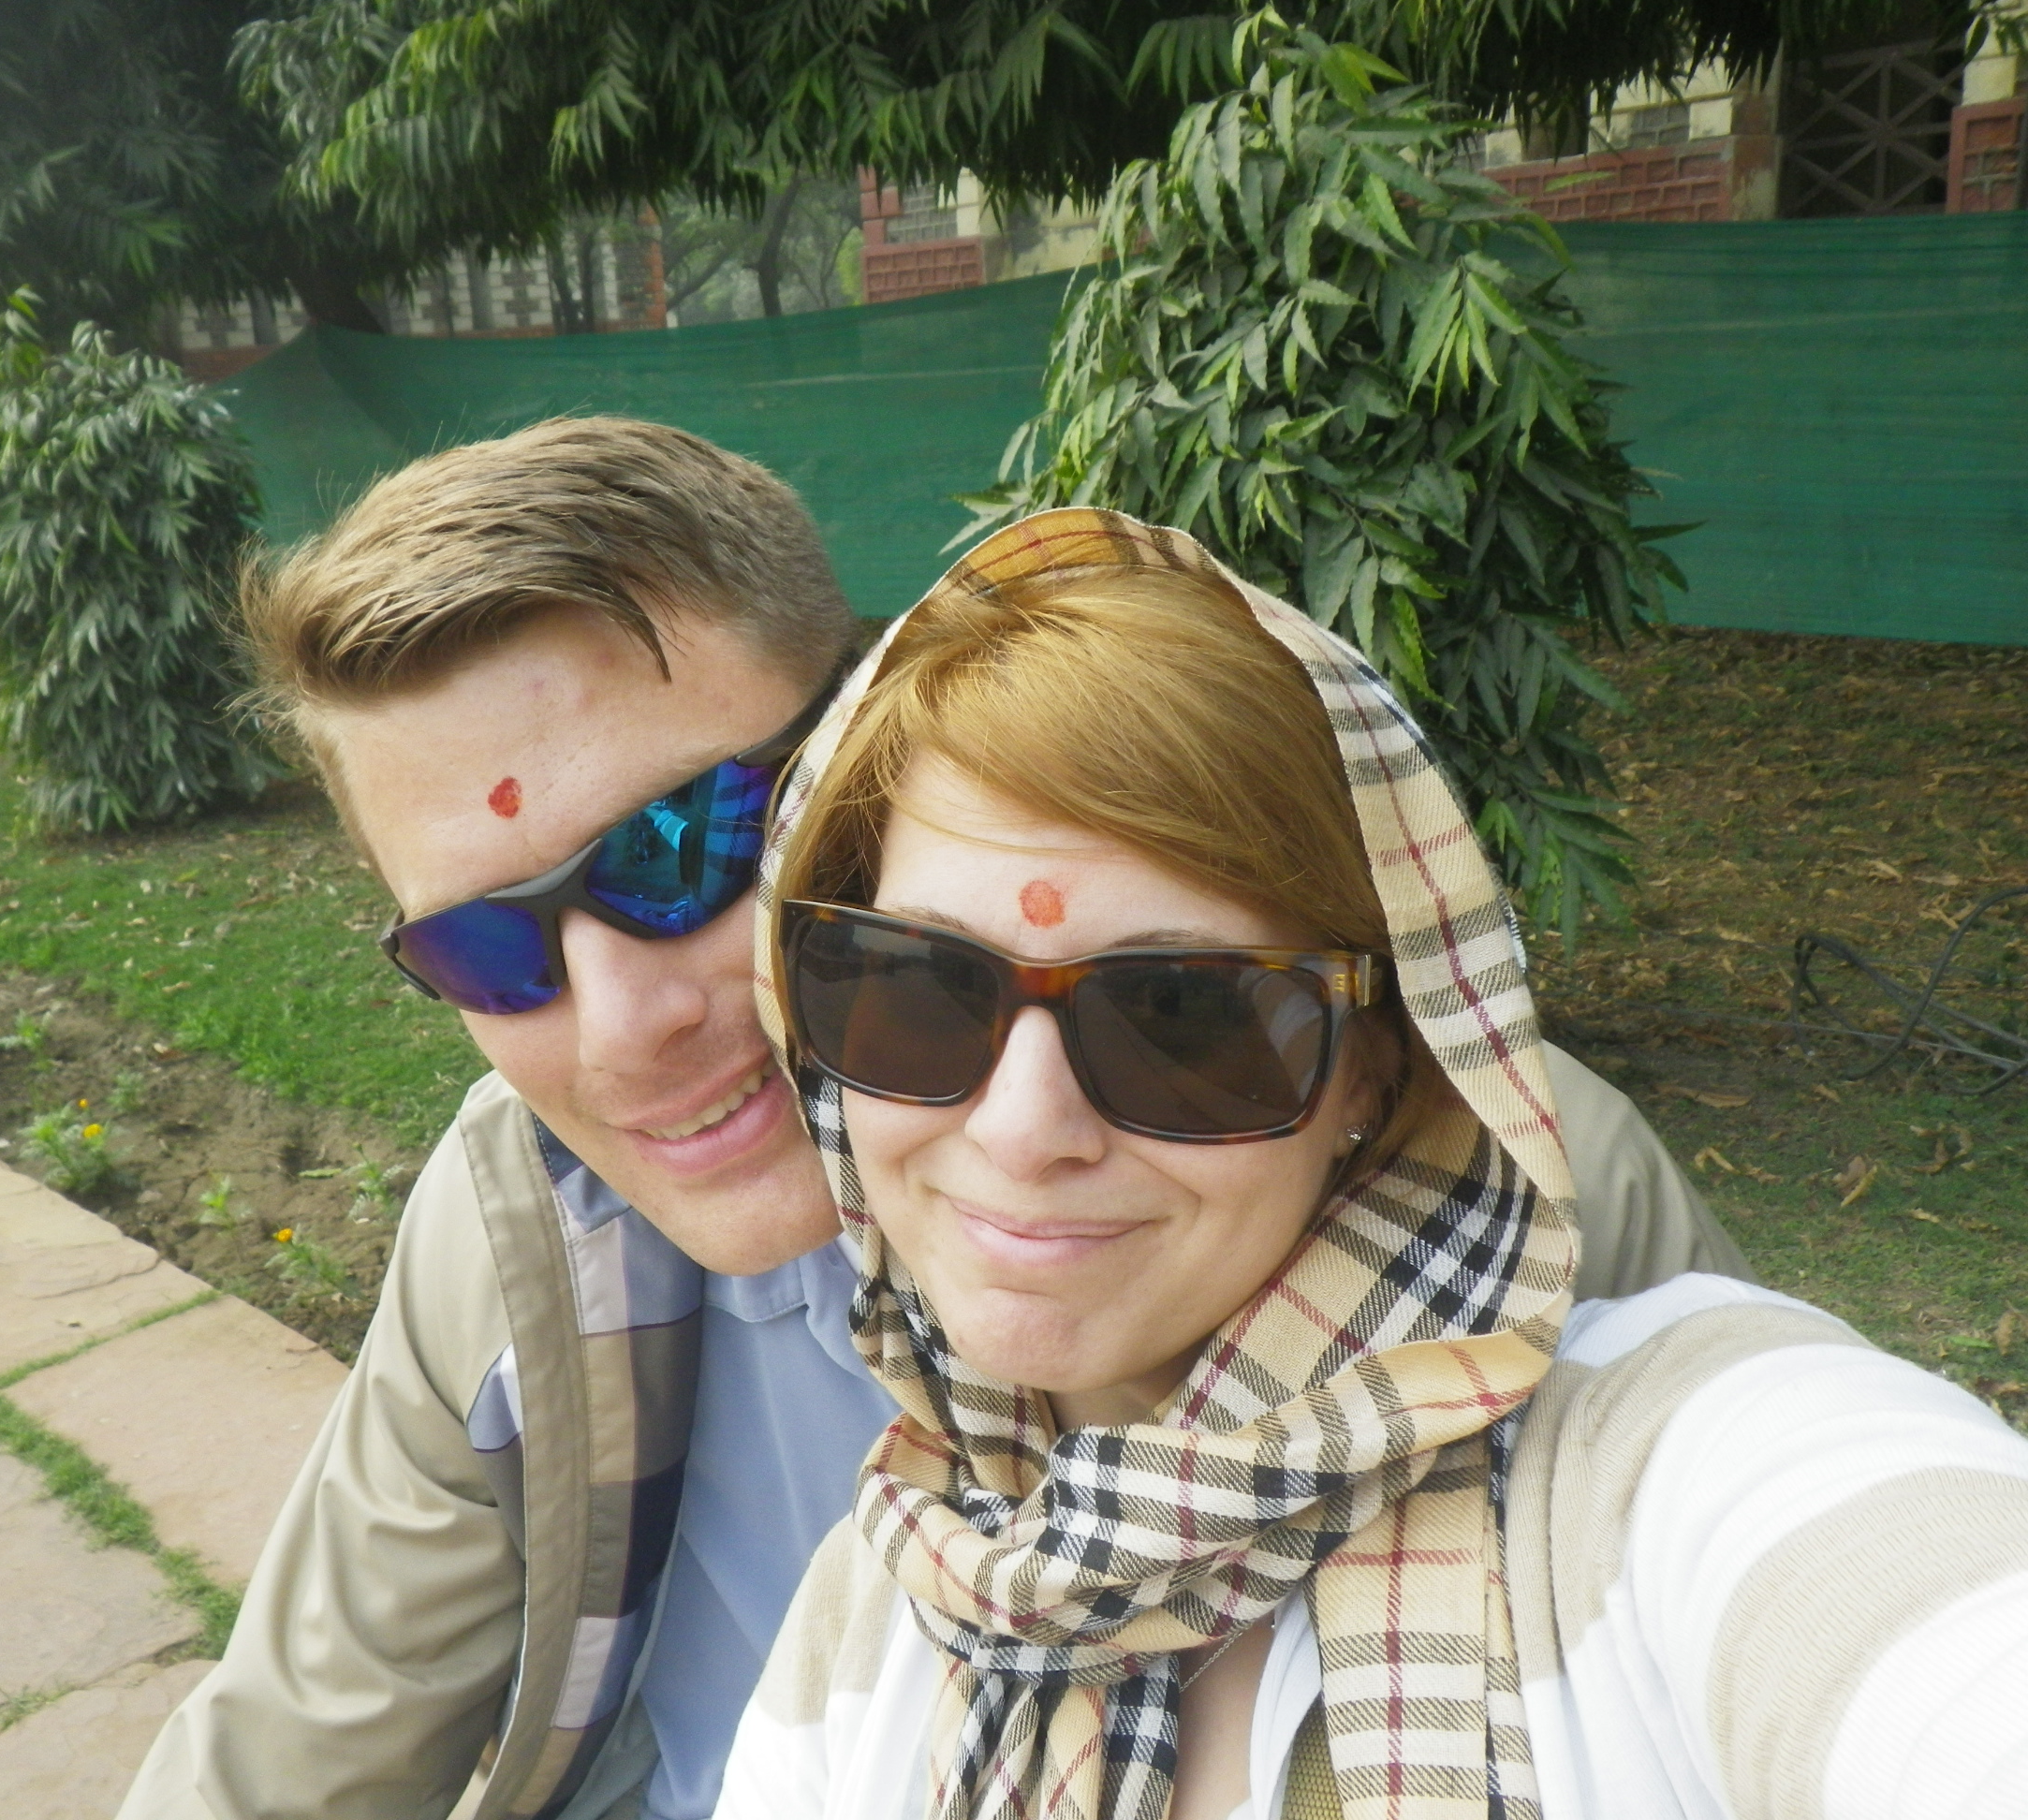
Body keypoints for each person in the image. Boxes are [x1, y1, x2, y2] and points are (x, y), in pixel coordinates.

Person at [120, 423, 1751, 1820]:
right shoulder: (523, 1216)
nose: (623, 1032)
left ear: (866, 745)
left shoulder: (1509, 1186)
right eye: (487, 949)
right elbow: (289, 1755)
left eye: (682, 851)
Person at [716, 509, 2028, 1820]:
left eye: (1184, 1016)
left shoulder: (1673, 1475)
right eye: (916, 987)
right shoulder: (880, 1611)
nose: (1020, 1128)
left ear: (1376, 1066)